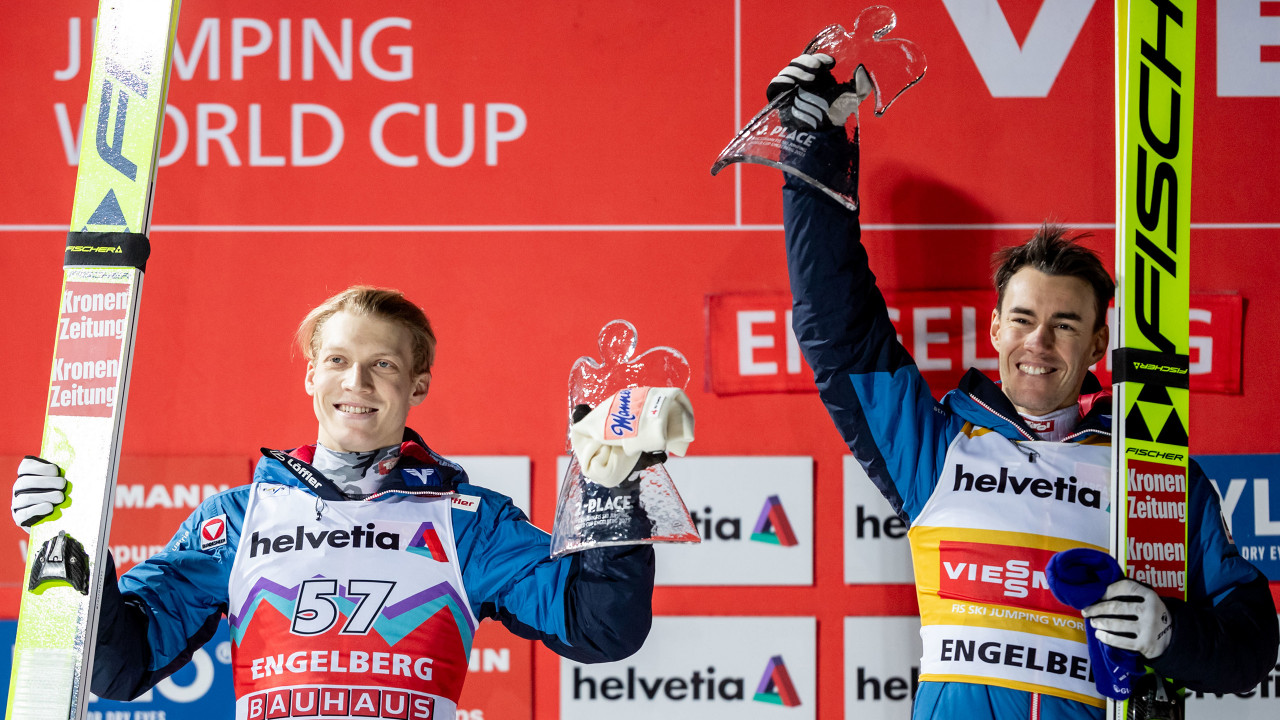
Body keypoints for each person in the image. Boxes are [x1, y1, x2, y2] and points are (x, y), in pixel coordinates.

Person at [769, 53, 1278, 719]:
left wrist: (1168, 635)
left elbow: (1251, 644)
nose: (1039, 342)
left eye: (1065, 325)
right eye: (1023, 320)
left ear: (1097, 344)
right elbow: (841, 334)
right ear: (995, 329)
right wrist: (812, 158)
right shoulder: (936, 449)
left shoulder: (1151, 474)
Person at [12, 286, 688, 720]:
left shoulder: (468, 521)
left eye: (383, 364)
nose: (356, 381)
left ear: (418, 384)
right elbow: (120, 666)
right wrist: (71, 549)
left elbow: (601, 627)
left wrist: (611, 491)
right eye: (336, 361)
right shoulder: (237, 519)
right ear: (311, 374)